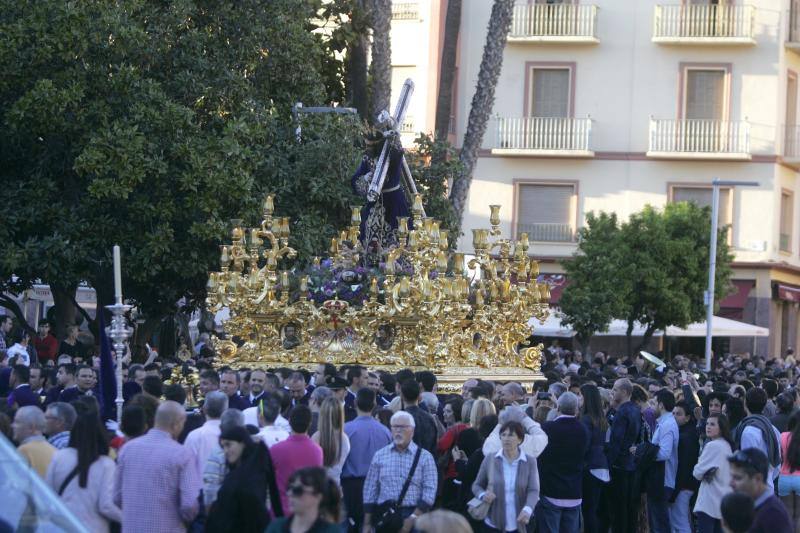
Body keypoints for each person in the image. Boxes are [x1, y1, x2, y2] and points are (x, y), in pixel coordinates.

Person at [113, 401, 201, 532]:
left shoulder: (127, 449)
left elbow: (117, 497)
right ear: (176, 424)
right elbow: (189, 505)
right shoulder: (182, 454)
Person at [45, 409, 121, 532]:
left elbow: (48, 493)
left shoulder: (60, 456)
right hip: (93, 527)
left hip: (62, 526)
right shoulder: (106, 464)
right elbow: (105, 506)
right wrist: (126, 518)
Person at [363, 410, 437, 533]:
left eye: (403, 427)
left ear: (412, 431)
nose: (398, 430)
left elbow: (430, 492)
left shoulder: (425, 457)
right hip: (386, 514)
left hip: (415, 515)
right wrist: (366, 523)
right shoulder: (380, 455)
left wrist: (412, 519)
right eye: (395, 427)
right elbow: (370, 489)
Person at [205, 426, 283, 533]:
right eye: (223, 446)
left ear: (243, 443)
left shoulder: (248, 476)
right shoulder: (253, 471)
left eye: (228, 445)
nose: (226, 451)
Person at [472, 420, 540, 533]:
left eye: (511, 435)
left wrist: (528, 508)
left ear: (520, 439)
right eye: (503, 435)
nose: (506, 438)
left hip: (520, 524)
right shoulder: (490, 459)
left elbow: (533, 490)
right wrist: (483, 494)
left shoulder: (530, 462)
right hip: (493, 524)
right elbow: (477, 485)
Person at [535, 392, 588, 533]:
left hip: (550, 491)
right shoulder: (583, 430)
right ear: (576, 409)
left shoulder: (547, 428)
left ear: (557, 407)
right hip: (574, 492)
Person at [342, 388, 391, 532]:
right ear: (374, 403)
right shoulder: (385, 431)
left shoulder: (347, 429)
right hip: (377, 486)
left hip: (351, 487)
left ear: (355, 403)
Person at [271, 404, 324, 514]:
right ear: (309, 424)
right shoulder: (317, 451)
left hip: (280, 511)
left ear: (289, 421)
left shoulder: (276, 449)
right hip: (307, 513)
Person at [728, 447, 793, 533]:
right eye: (731, 477)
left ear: (758, 479)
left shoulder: (773, 514)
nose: (731, 483)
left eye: (738, 478)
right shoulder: (749, 504)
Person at [606, 378, 642, 533]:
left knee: (619, 508)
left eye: (615, 389)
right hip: (631, 463)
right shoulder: (635, 409)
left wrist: (608, 464)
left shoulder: (623, 412)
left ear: (624, 392)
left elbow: (616, 441)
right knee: (629, 508)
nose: (613, 392)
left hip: (619, 465)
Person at [645, 389, 679, 533]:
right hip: (658, 480)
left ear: (661, 405)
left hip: (663, 480)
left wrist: (643, 451)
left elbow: (664, 453)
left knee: (660, 524)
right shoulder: (664, 423)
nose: (651, 406)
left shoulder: (668, 425)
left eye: (653, 403)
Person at [734, 387, 782, 490]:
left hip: (754, 490)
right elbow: (777, 460)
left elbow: (748, 464)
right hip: (768, 485)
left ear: (745, 403)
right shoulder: (772, 428)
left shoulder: (748, 431)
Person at [266, 467, 341, 532]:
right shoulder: (276, 527)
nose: (289, 494)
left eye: (298, 491)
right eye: (289, 488)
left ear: (318, 496)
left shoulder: (331, 531)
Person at [693, 413, 734, 533]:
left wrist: (703, 471)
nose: (708, 427)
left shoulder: (712, 446)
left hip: (709, 502)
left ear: (721, 427)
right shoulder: (727, 445)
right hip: (722, 502)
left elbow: (697, 472)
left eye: (712, 424)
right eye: (707, 424)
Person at [579, 384, 609, 533]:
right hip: (601, 467)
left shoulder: (585, 419)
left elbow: (584, 444)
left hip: (589, 466)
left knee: (588, 511)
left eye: (580, 395)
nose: (578, 398)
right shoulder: (601, 419)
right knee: (595, 510)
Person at [671, 400, 700, 533]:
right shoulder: (686, 433)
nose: (675, 416)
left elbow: (684, 466)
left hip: (684, 486)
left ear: (687, 417)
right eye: (674, 413)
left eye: (678, 414)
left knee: (680, 521)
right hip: (685, 485)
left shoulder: (686, 437)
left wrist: (675, 491)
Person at [184, 390, 228, 474]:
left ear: (204, 409)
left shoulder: (194, 436)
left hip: (198, 485)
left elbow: (186, 469)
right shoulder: (234, 436)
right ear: (226, 410)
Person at [482, 404, 548, 459]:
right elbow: (543, 436)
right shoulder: (529, 443)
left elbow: (491, 439)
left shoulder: (493, 444)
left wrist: (500, 423)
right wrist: (525, 418)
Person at [437, 397, 468, 511]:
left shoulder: (455, 429)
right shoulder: (466, 426)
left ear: (457, 413)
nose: (444, 414)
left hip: (451, 473)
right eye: (444, 411)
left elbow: (441, 446)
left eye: (449, 411)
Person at [312, 396, 351, 486]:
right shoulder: (345, 439)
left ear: (322, 414)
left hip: (319, 486)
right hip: (336, 486)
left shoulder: (316, 437)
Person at [12, 405, 56, 477]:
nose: (12, 425)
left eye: (17, 422)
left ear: (31, 427)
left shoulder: (24, 450)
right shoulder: (53, 449)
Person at [398, 379, 438, 456]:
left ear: (401, 396)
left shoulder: (398, 419)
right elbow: (434, 445)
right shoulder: (429, 418)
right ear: (419, 396)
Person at [778, 410, 800, 527]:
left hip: (784, 478)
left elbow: (780, 457)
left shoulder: (783, 436)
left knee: (787, 515)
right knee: (798, 516)